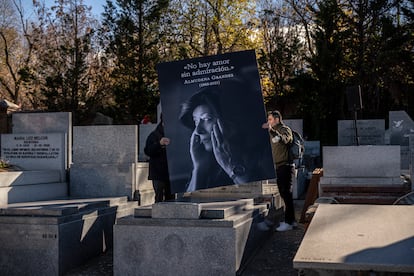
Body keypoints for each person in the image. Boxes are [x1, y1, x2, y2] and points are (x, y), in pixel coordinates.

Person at [179, 88, 263, 192]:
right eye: (195, 121)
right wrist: (199, 168)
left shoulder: (259, 157)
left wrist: (230, 166)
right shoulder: (206, 159)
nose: (198, 130)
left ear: (229, 122)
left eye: (207, 119)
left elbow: (258, 194)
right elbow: (188, 204)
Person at [262, 110, 297, 232]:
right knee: (284, 194)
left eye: (270, 119)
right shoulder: (273, 132)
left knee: (286, 194)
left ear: (277, 119)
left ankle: (289, 222)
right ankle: (291, 221)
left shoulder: (284, 129)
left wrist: (271, 130)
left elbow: (285, 140)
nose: (269, 122)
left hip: (286, 166)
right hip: (279, 167)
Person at [144, 115, 174, 202]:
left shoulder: (173, 134)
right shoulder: (154, 135)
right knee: (159, 197)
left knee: (171, 199)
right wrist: (159, 144)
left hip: (171, 173)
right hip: (158, 173)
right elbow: (148, 151)